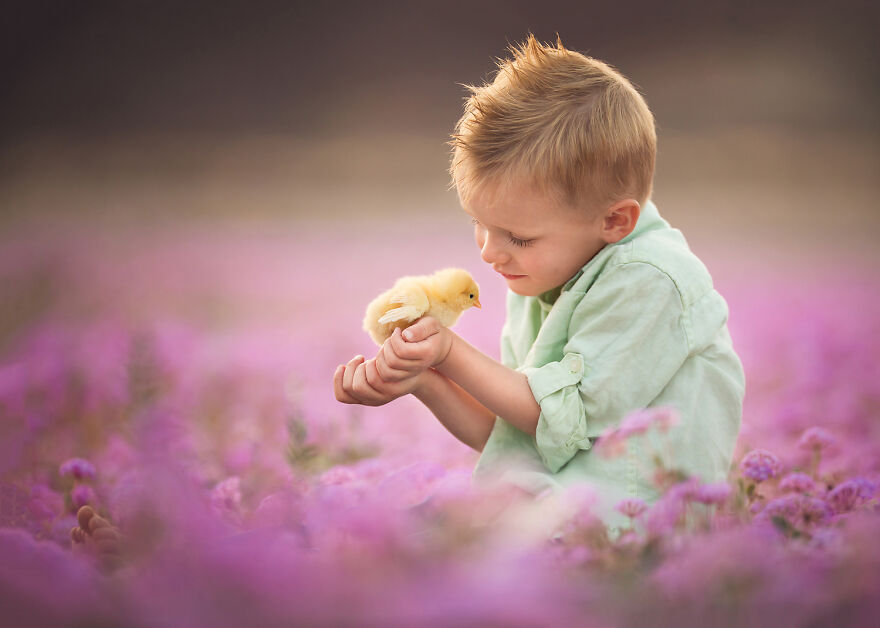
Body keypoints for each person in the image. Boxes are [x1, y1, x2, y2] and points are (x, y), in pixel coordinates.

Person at [333, 34, 745, 533]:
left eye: (519, 237)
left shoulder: (649, 280)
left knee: (441, 532)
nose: (488, 251)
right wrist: (424, 380)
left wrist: (447, 351)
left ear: (615, 221)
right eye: (478, 224)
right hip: (557, 504)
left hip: (634, 523)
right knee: (409, 525)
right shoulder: (544, 277)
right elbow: (517, 435)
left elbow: (552, 419)